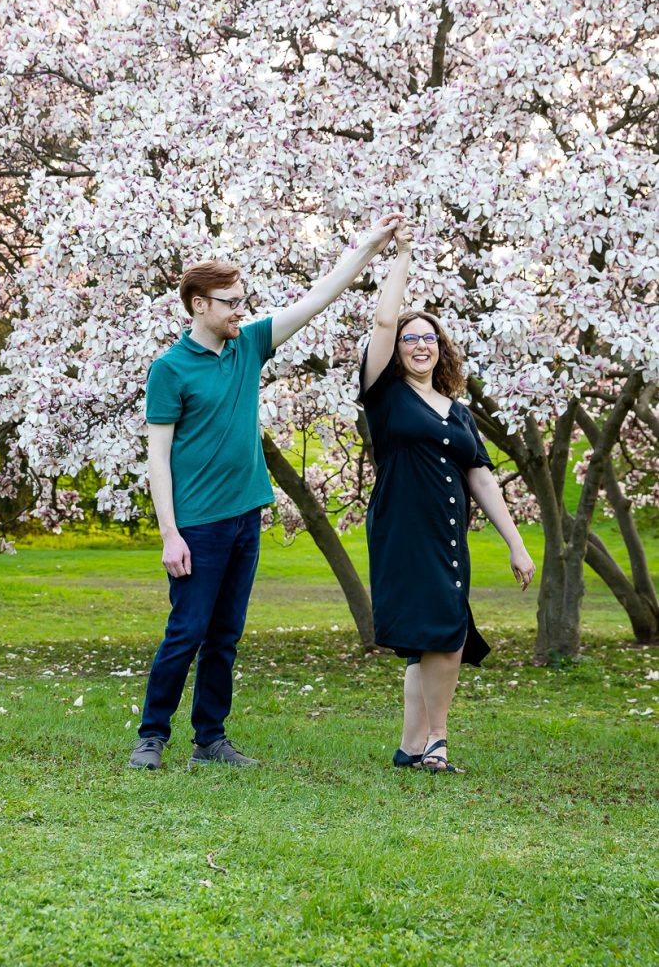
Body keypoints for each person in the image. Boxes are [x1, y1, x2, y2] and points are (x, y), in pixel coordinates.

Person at [130, 213, 406, 769]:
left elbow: (319, 296)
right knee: (186, 632)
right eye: (230, 301)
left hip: (245, 517)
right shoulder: (169, 370)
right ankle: (152, 737)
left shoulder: (249, 345)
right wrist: (170, 534)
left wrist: (372, 246)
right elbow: (157, 458)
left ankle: (210, 740)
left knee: (225, 636)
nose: (241, 310)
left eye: (243, 300)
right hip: (197, 526)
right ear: (199, 305)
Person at [358, 223, 536, 773]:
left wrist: (516, 543)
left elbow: (481, 477)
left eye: (429, 339)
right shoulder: (384, 396)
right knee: (447, 631)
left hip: (447, 531)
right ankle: (438, 741)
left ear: (442, 351)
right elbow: (383, 320)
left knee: (430, 636)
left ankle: (411, 748)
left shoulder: (458, 411)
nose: (420, 345)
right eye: (410, 339)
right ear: (396, 351)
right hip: (403, 528)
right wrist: (402, 256)